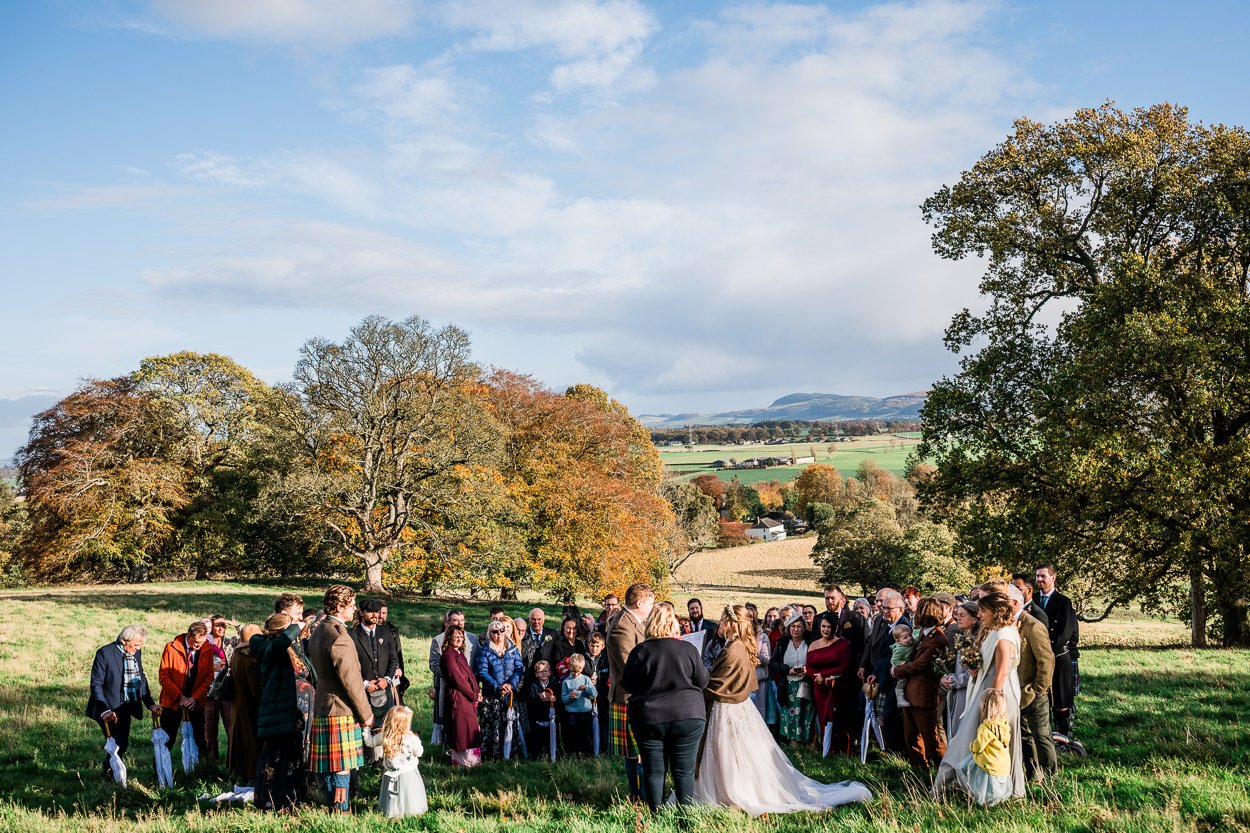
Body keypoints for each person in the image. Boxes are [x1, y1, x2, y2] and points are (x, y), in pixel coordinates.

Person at [692, 604, 872, 816]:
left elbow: (719, 682)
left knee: (732, 750)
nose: (720, 624)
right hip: (735, 706)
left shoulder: (733, 649)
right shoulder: (736, 644)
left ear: (731, 623)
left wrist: (695, 681)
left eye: (723, 620)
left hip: (728, 708)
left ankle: (733, 789)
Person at [933, 591, 1025, 804]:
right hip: (983, 689)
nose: (980, 614)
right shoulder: (992, 631)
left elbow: (1001, 673)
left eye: (983, 610)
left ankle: (986, 791)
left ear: (996, 612)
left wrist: (991, 708)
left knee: (978, 740)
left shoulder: (1003, 637)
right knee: (969, 738)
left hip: (995, 696)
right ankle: (967, 788)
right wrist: (975, 668)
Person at [619, 603, 709, 811]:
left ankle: (655, 815)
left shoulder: (640, 651)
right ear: (674, 623)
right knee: (684, 771)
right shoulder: (688, 649)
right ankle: (685, 817)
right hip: (688, 715)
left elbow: (628, 684)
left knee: (654, 771)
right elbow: (703, 680)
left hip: (649, 716)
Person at [307, 584, 374, 813]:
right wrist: (366, 714)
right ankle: (341, 809)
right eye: (352, 605)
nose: (355, 609)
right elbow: (351, 681)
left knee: (328, 765)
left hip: (322, 704)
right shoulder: (339, 636)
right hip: (341, 709)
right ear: (339, 606)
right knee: (342, 767)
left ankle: (332, 806)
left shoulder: (319, 630)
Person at [86, 625, 161, 783]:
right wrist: (104, 710)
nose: (138, 648)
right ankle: (112, 776)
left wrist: (150, 704)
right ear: (123, 640)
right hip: (107, 706)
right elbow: (96, 684)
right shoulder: (104, 653)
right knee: (117, 742)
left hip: (126, 705)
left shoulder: (135, 652)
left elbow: (140, 678)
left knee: (123, 743)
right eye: (136, 645)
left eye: (140, 645)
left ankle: (111, 767)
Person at [252, 613, 308, 811]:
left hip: (290, 712)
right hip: (277, 712)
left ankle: (290, 799)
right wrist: (296, 627)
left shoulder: (287, 648)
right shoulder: (266, 646)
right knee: (275, 760)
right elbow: (278, 644)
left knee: (291, 758)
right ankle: (272, 802)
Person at [606, 581, 655, 802]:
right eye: (650, 603)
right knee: (634, 754)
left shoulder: (633, 621)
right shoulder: (621, 627)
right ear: (640, 602)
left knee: (639, 752)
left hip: (638, 695)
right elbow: (629, 668)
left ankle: (643, 795)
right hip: (629, 697)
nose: (652, 608)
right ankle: (638, 797)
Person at [893, 598, 949, 770]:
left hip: (924, 693)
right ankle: (919, 768)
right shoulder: (924, 633)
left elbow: (920, 664)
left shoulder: (937, 638)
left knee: (930, 737)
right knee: (911, 735)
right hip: (912, 692)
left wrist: (897, 671)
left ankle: (945, 772)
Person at [1009, 583, 1057, 782]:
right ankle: (1032, 774)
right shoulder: (1008, 624)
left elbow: (1046, 659)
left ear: (1013, 603)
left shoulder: (1033, 625)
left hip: (1034, 690)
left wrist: (1038, 689)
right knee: (1023, 737)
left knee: (1042, 736)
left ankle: (1051, 777)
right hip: (1014, 690)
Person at [157, 620, 216, 765]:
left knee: (200, 738)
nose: (199, 646)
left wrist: (195, 698)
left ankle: (203, 769)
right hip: (172, 701)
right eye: (196, 642)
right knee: (167, 738)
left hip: (196, 701)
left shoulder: (206, 648)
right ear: (189, 636)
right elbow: (164, 676)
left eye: (202, 642)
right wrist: (179, 697)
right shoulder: (172, 648)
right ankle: (160, 773)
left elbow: (208, 677)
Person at [859, 588, 911, 752]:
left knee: (891, 718)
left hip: (896, 681)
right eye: (883, 608)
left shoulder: (904, 628)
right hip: (883, 676)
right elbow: (882, 655)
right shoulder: (885, 623)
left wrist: (880, 677)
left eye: (889, 608)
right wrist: (874, 674)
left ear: (900, 610)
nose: (884, 611)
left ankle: (897, 752)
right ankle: (888, 749)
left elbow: (893, 657)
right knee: (883, 716)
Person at [351, 598, 402, 745]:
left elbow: (394, 659)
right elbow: (352, 665)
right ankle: (369, 759)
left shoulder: (385, 632)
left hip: (384, 687)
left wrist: (387, 679)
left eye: (377, 611)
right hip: (363, 689)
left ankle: (384, 759)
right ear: (361, 613)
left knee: (386, 726)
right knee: (366, 725)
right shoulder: (352, 635)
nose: (375, 615)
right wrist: (365, 683)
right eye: (370, 611)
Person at [1035, 563, 1078, 737]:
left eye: (1043, 576)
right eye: (1037, 576)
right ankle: (1044, 736)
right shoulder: (1034, 600)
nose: (1039, 579)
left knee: (1060, 700)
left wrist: (1045, 650)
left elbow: (1065, 632)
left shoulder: (1064, 602)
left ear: (1053, 577)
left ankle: (1063, 737)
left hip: (1058, 657)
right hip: (1037, 658)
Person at [363, 705, 427, 817]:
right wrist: (418, 743)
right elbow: (419, 752)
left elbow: (370, 742)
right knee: (409, 792)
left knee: (392, 795)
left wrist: (366, 730)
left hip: (391, 772)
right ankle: (411, 811)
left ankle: (393, 811)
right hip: (408, 772)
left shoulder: (384, 736)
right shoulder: (411, 738)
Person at [951, 689, 1014, 805]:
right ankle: (996, 803)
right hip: (1003, 766)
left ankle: (982, 801)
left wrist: (971, 746)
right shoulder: (1005, 725)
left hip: (990, 766)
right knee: (995, 789)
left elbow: (979, 746)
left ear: (985, 707)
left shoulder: (985, 728)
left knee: (965, 767)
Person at [429, 609, 478, 745]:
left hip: (470, 687)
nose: (460, 623)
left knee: (468, 721)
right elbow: (434, 665)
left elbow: (477, 662)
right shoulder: (438, 640)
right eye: (456, 620)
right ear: (447, 622)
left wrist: (472, 683)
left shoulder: (472, 638)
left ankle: (468, 750)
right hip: (449, 686)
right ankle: (450, 748)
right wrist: (453, 674)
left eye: (462, 620)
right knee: (451, 719)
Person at [476, 620, 523, 761]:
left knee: (509, 723)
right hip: (492, 696)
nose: (499, 634)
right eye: (495, 631)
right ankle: (493, 754)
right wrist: (497, 686)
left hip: (509, 695)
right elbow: (482, 672)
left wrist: (510, 685)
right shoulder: (485, 651)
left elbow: (519, 669)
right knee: (493, 725)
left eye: (501, 630)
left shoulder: (513, 649)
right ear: (489, 634)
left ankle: (510, 753)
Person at [225, 624, 263, 786]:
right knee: (250, 741)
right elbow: (256, 689)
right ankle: (252, 775)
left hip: (238, 704)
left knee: (240, 739)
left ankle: (242, 773)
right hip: (249, 705)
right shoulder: (249, 660)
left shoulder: (236, 655)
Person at [439, 625, 482, 767]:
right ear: (449, 638)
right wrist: (473, 695)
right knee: (461, 729)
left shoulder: (460, 654)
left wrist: (477, 692)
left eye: (461, 636)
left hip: (467, 696)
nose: (459, 638)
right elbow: (458, 679)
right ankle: (461, 763)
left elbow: (470, 675)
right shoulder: (447, 656)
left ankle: (473, 761)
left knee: (471, 727)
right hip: (458, 696)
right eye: (455, 636)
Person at [769, 613, 814, 744]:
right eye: (793, 626)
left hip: (805, 684)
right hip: (788, 685)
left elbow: (816, 660)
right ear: (789, 628)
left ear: (804, 628)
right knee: (790, 712)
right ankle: (792, 741)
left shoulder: (810, 642)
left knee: (806, 712)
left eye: (799, 626)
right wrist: (788, 669)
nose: (796, 629)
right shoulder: (782, 643)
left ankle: (806, 740)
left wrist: (808, 669)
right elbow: (773, 664)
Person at [940, 601, 980, 739]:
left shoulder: (976, 641)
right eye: (957, 615)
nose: (958, 618)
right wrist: (947, 677)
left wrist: (954, 680)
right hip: (958, 690)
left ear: (974, 619)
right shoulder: (963, 638)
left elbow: (975, 672)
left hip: (969, 692)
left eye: (962, 615)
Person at [811, 584, 867, 662]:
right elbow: (815, 645)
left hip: (850, 665)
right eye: (827, 598)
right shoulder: (818, 619)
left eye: (832, 598)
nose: (830, 601)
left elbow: (862, 644)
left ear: (841, 598)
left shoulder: (855, 618)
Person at [561, 653, 596, 756]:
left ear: (582, 668)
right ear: (569, 667)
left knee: (586, 735)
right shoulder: (566, 682)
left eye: (578, 671)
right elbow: (563, 699)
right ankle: (574, 754)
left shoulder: (586, 679)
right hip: (572, 713)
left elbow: (594, 694)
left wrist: (587, 689)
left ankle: (588, 755)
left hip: (585, 712)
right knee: (573, 736)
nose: (575, 674)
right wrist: (569, 697)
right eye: (572, 671)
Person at [526, 660, 559, 759]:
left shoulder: (554, 684)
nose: (543, 673)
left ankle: (553, 754)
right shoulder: (533, 686)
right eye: (540, 671)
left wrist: (554, 698)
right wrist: (539, 697)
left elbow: (559, 698)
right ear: (536, 674)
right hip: (538, 719)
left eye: (545, 671)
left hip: (551, 718)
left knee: (551, 738)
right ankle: (536, 755)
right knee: (537, 740)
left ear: (549, 672)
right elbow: (530, 701)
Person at [378, 604, 409, 703]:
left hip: (393, 674)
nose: (381, 616)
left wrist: (399, 669)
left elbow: (397, 654)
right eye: (379, 612)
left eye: (384, 613)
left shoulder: (392, 630)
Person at [890, 623, 915, 709]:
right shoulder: (900, 649)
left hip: (907, 666)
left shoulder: (910, 643)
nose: (909, 638)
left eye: (910, 635)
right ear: (898, 641)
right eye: (905, 638)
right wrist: (901, 663)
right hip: (900, 667)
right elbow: (894, 660)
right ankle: (900, 699)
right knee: (902, 681)